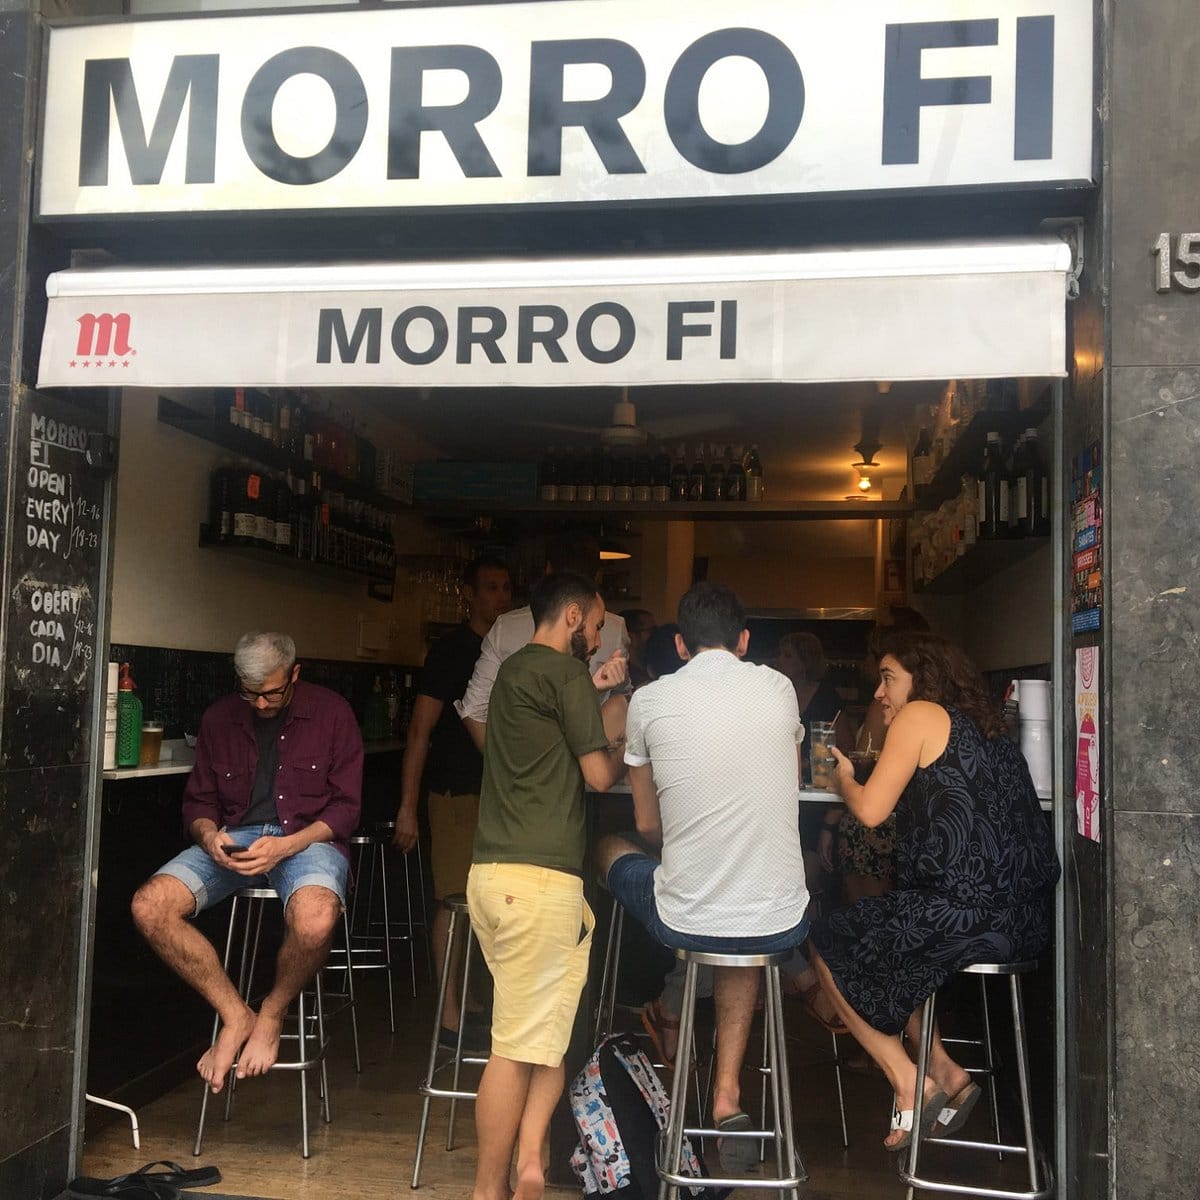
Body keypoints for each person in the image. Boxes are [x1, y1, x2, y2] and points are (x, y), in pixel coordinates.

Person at [807, 632, 1060, 1151]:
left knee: (825, 939)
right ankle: (945, 1070)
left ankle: (907, 1078)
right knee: (899, 935)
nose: (879, 692)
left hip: (968, 917)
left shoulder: (919, 714)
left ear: (923, 678)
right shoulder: (988, 728)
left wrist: (842, 779)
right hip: (1027, 922)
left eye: (888, 678)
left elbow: (870, 811)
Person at [596, 582, 810, 1172]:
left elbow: (648, 824)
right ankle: (726, 1095)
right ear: (743, 641)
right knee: (738, 920)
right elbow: (788, 788)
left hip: (686, 917)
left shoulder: (649, 700)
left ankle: (654, 1021)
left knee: (608, 846)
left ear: (680, 645)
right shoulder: (780, 688)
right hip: (778, 921)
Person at [130, 632, 362, 1093]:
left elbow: (345, 809)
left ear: (295, 674)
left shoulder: (333, 712)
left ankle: (271, 1013)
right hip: (236, 838)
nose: (259, 704)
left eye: (271, 693)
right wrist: (209, 836)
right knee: (148, 906)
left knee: (316, 920)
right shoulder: (219, 718)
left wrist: (287, 846)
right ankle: (235, 1014)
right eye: (249, 692)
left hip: (307, 839)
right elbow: (199, 802)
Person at [467, 571, 628, 1200]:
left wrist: (593, 687)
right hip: (540, 883)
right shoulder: (566, 676)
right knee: (516, 1044)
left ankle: (530, 1159)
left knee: (547, 1031)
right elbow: (597, 776)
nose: (600, 636)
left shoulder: (515, 671)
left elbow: (546, 733)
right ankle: (489, 1190)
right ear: (572, 616)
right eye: (597, 624)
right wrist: (623, 738)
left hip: (492, 875)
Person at [393, 556, 512, 1047]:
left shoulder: (512, 648)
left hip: (498, 793)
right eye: (491, 587)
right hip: (452, 789)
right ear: (470, 594)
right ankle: (448, 1014)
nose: (500, 597)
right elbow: (419, 731)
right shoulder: (450, 651)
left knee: (491, 902)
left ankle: (474, 1003)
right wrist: (407, 805)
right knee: (454, 899)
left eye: (506, 588)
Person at [456, 533, 629, 748]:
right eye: (598, 628)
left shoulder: (507, 628)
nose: (598, 643)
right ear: (598, 575)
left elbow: (474, 710)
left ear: (547, 570)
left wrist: (504, 763)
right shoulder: (615, 628)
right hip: (585, 758)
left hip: (545, 760)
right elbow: (620, 701)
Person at [817, 606, 930, 904]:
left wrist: (830, 821)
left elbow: (864, 767)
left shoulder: (890, 708)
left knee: (866, 912)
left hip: (880, 826)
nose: (866, 662)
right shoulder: (940, 710)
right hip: (919, 834)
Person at [619, 607, 656, 688]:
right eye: (651, 630)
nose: (656, 635)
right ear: (630, 637)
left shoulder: (654, 667)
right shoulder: (622, 676)